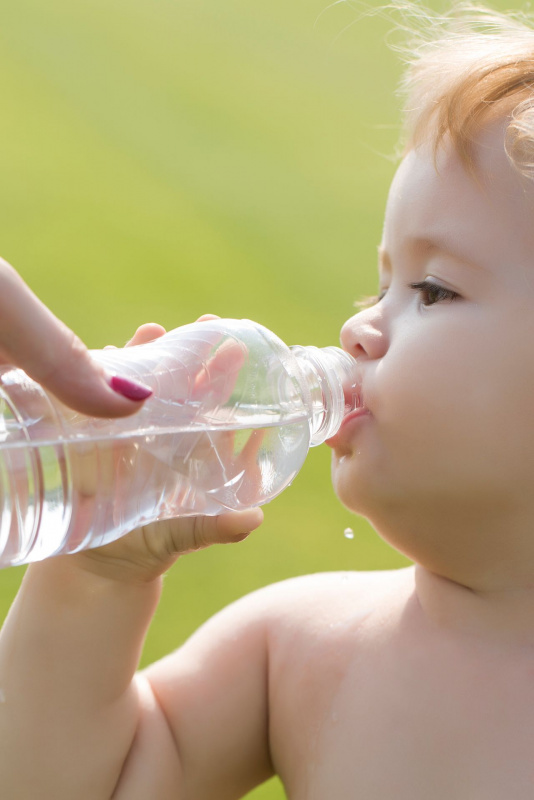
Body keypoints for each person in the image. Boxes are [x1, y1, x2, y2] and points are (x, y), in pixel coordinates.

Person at [2, 3, 534, 797]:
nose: (358, 327)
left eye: (432, 288)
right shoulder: (300, 652)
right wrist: (95, 576)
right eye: (378, 283)